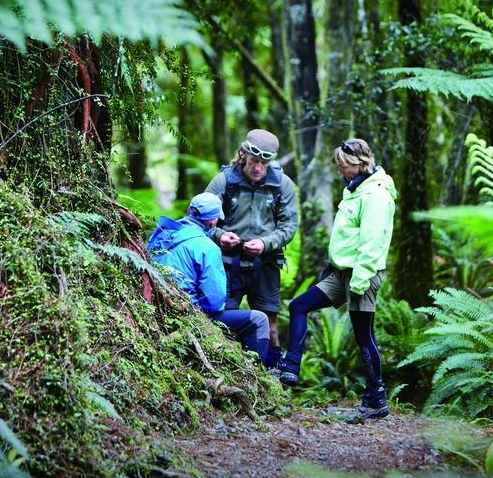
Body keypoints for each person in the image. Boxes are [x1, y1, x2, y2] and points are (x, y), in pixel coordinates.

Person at [277, 138, 397, 420]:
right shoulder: (353, 191)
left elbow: (372, 242)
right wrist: (331, 268)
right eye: (339, 167)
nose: (340, 172)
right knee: (298, 306)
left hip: (361, 277)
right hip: (341, 273)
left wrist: (360, 281)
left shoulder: (376, 196)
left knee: (363, 336)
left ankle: (376, 399)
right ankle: (291, 368)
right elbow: (348, 238)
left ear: (361, 163)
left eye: (344, 167)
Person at [203, 129, 298, 368]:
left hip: (265, 264)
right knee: (224, 322)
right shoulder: (225, 180)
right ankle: (230, 370)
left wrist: (266, 243)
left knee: (270, 325)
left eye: (264, 163)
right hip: (226, 264)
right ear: (244, 154)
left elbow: (290, 226)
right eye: (255, 161)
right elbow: (200, 218)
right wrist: (220, 235)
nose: (258, 168)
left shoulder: (282, 184)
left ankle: (272, 374)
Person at [147, 192, 269, 362]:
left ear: (190, 210)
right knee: (259, 320)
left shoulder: (162, 233)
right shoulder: (208, 248)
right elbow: (214, 303)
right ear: (213, 222)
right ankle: (258, 375)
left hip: (155, 307)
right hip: (187, 315)